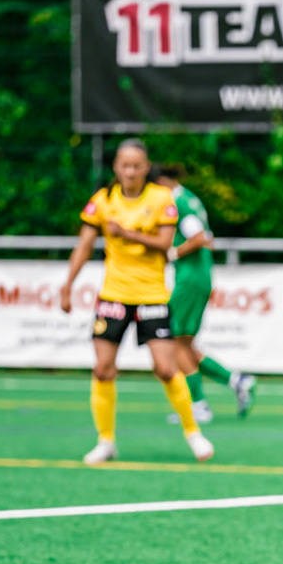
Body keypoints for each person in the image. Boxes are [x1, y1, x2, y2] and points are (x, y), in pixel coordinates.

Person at [61, 138, 212, 466]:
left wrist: (126, 233)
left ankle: (193, 432)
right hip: (114, 295)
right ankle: (105, 441)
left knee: (165, 368)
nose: (130, 172)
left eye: (136, 166)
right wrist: (67, 284)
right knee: (102, 369)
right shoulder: (102, 201)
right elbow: (84, 245)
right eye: (124, 165)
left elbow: (163, 243)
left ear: (146, 168)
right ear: (116, 167)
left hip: (152, 296)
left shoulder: (161, 199)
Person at [153, 164, 257, 422]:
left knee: (174, 341)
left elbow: (199, 237)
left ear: (162, 182)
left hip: (189, 279)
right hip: (197, 277)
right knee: (185, 343)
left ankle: (198, 405)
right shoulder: (189, 198)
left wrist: (173, 253)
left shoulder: (179, 203)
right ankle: (236, 380)